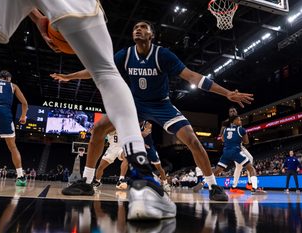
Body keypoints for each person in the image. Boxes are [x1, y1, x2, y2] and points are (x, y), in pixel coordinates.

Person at [0, 2, 152, 219]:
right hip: (4, 114)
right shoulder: (12, 86)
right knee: (105, 71)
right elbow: (25, 103)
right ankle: (144, 181)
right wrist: (24, 114)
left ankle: (110, 179)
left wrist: (38, 18)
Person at [51, 20, 254, 204]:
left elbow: (192, 76)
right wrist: (70, 77)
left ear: (151, 35)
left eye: (143, 27)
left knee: (192, 140)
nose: (138, 29)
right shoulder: (126, 54)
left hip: (161, 105)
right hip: (134, 104)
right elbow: (99, 70)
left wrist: (227, 93)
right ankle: (86, 182)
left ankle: (213, 186)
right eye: (135, 27)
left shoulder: (162, 55)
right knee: (98, 128)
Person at [213, 115, 265, 194]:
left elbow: (223, 139)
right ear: (233, 120)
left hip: (228, 150)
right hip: (237, 149)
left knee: (248, 160)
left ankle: (205, 183)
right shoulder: (240, 129)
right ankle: (251, 186)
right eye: (239, 120)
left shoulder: (225, 129)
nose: (240, 121)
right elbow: (246, 142)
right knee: (247, 167)